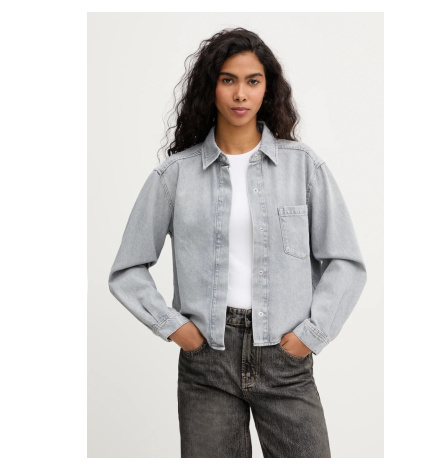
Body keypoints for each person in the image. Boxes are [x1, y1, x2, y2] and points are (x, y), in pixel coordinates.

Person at [108, 27, 367, 458]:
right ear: (210, 88)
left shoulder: (303, 167)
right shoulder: (175, 175)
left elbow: (345, 261)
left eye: (252, 81)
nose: (240, 94)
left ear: (268, 89)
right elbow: (127, 268)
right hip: (207, 362)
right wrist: (175, 328)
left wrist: (311, 334)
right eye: (228, 80)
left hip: (285, 359)